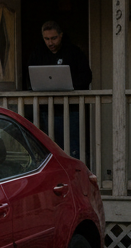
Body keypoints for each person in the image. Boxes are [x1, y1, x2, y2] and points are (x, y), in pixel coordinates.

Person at [26, 20, 91, 159]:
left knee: (73, 149)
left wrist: (70, 86)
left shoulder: (73, 52)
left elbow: (87, 76)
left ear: (61, 35)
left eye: (54, 38)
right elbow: (30, 77)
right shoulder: (38, 53)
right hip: (47, 110)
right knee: (51, 149)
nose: (50, 43)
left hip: (72, 109)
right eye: (47, 39)